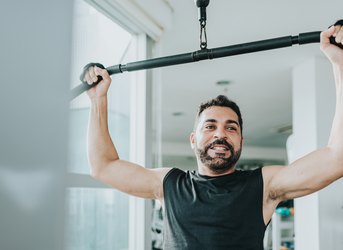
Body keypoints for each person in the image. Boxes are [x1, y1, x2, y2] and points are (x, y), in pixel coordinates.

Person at [83, 24, 343, 249]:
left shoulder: (264, 185)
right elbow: (103, 166)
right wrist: (98, 100)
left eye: (231, 128)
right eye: (210, 126)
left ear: (241, 140)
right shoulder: (169, 185)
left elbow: (337, 158)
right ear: (193, 139)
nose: (221, 133)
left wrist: (340, 63)